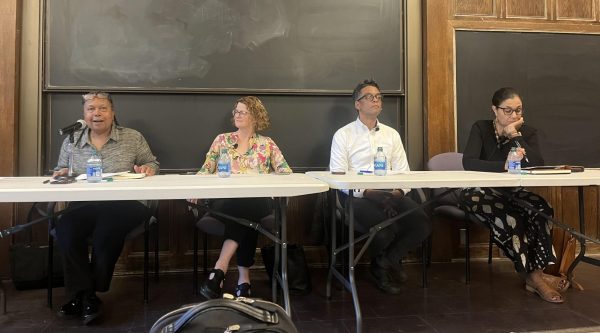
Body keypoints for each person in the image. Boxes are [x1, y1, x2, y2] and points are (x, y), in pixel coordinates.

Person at [53, 91, 159, 324]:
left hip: (125, 204)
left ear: (112, 113)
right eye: (91, 109)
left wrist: (147, 169)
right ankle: (86, 294)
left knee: (106, 231)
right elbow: (60, 169)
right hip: (85, 204)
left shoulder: (132, 137)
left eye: (102, 108)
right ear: (84, 114)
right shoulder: (72, 140)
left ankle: (87, 291)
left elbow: (151, 162)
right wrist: (61, 173)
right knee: (65, 230)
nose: (96, 113)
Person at [461, 87, 568, 303]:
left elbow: (537, 165)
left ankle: (536, 273)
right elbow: (469, 162)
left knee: (541, 208)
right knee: (511, 218)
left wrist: (513, 134)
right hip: (477, 192)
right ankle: (536, 278)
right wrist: (504, 164)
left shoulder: (526, 132)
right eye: (507, 111)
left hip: (511, 192)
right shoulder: (481, 128)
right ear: (495, 109)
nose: (513, 115)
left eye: (518, 110)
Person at [329, 79, 431, 294]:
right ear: (357, 104)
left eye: (378, 97)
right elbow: (338, 177)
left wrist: (398, 193)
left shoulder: (391, 134)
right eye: (369, 97)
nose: (375, 100)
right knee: (384, 229)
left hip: (390, 193)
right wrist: (366, 192)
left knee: (421, 222)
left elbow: (403, 171)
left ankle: (385, 261)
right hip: (358, 196)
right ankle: (383, 271)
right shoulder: (343, 135)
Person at [189, 96, 292, 300]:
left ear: (255, 116)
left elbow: (285, 171)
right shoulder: (222, 140)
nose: (237, 115)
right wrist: (196, 189)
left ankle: (220, 269)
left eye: (243, 112)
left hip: (258, 200)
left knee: (248, 204)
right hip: (225, 201)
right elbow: (205, 170)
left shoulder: (267, 144)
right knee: (246, 218)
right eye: (236, 111)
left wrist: (277, 185)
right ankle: (244, 278)